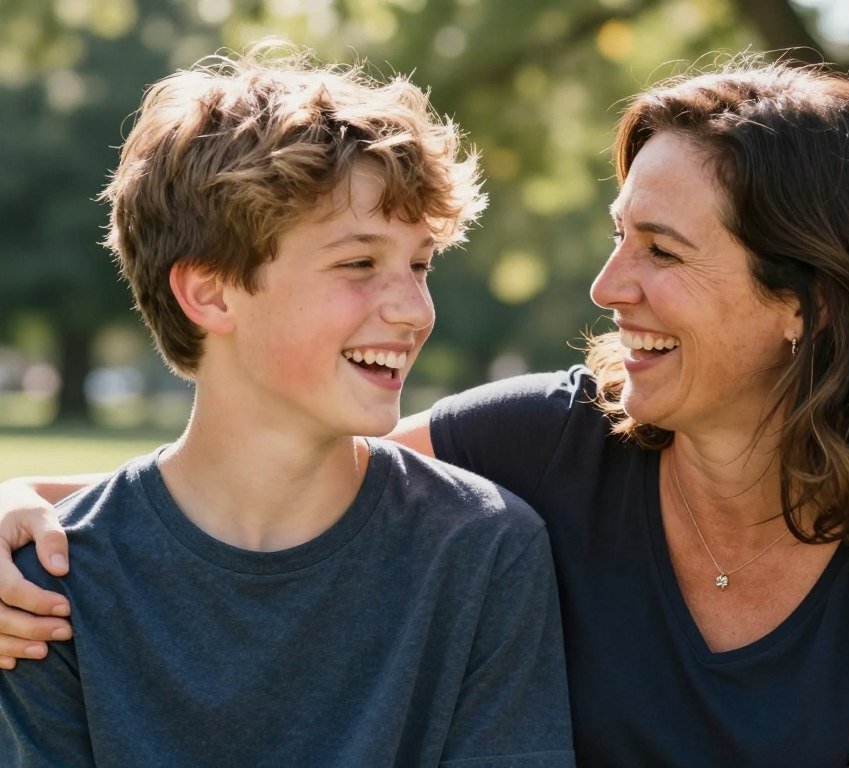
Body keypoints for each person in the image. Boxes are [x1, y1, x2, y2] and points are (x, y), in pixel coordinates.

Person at [1, 57, 849, 767]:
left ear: (812, 301)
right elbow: (244, 488)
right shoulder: (545, 441)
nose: (606, 285)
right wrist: (14, 514)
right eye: (619, 235)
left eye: (661, 251)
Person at [0, 43, 575, 767]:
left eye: (420, 265)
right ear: (209, 292)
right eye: (360, 263)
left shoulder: (484, 552)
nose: (414, 310)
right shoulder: (46, 587)